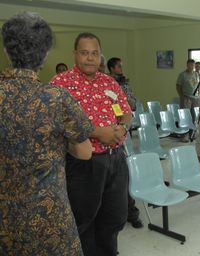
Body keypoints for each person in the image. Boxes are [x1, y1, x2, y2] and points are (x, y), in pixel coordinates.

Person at [0, 12, 93, 255]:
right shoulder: (55, 98)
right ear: (46, 53)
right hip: (48, 216)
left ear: (7, 50)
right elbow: (84, 152)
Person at [50, 32, 132, 256]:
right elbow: (57, 122)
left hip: (116, 159)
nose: (90, 58)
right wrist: (98, 132)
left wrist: (122, 127)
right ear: (75, 54)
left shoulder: (109, 82)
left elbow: (126, 112)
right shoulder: (60, 84)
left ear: (100, 56)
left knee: (115, 216)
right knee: (83, 219)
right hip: (84, 163)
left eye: (94, 53)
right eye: (84, 53)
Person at [107, 56, 143, 228]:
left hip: (123, 127)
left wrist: (129, 103)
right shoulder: (107, 84)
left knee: (123, 175)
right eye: (119, 66)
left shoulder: (124, 82)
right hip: (110, 130)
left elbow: (132, 102)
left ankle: (131, 212)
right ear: (112, 68)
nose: (121, 68)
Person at [176, 58, 200, 141]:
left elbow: (198, 85)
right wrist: (181, 96)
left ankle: (192, 134)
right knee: (186, 117)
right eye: (190, 65)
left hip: (196, 99)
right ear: (187, 65)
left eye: (193, 65)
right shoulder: (182, 75)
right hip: (186, 97)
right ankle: (184, 135)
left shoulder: (196, 74)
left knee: (195, 117)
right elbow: (178, 86)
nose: (192, 66)